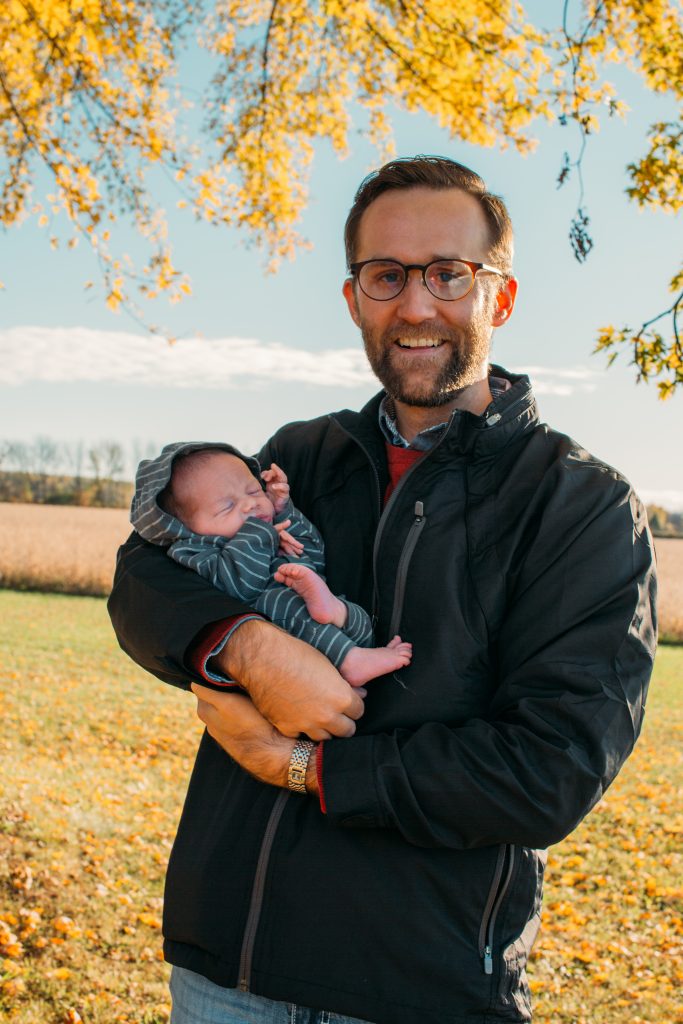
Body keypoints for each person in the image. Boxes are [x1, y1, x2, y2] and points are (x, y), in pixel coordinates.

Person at [108, 156, 656, 1024]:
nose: (416, 304)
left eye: (450, 274)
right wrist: (246, 648)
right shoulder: (302, 454)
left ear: (499, 299)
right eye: (386, 275)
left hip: (415, 987)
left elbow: (547, 771)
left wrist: (307, 766)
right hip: (226, 979)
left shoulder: (579, 504)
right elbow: (145, 571)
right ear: (353, 297)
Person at [130, 441, 412, 687]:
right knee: (284, 603)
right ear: (185, 527)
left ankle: (337, 615)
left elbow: (313, 552)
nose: (250, 505)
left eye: (253, 491)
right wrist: (262, 534)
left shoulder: (271, 528)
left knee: (355, 615)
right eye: (227, 507)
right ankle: (351, 662)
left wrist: (282, 511)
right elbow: (240, 586)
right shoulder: (194, 549)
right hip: (285, 638)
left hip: (328, 624)